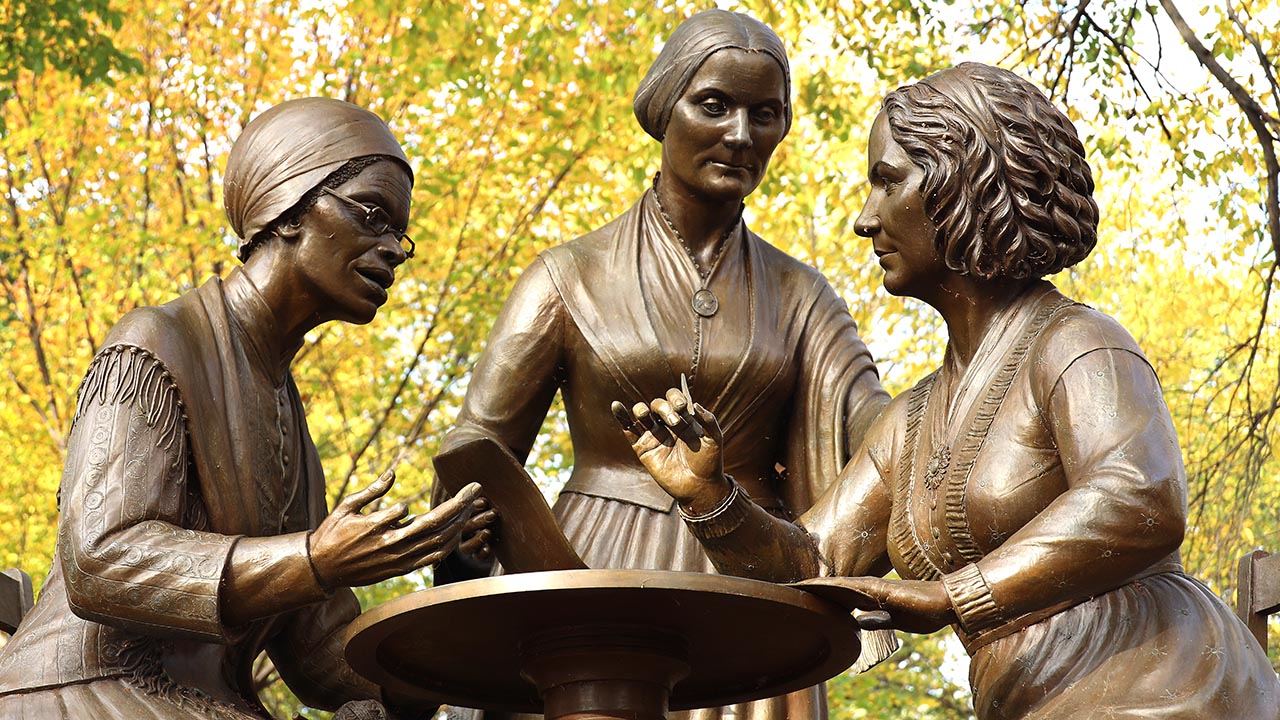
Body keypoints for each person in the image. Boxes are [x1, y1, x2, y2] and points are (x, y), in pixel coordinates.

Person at [615, 62, 1280, 719]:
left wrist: (955, 596)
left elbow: (1141, 495)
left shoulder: (1077, 343)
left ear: (967, 186)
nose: (865, 219)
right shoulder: (910, 421)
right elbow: (813, 560)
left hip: (1159, 687)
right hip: (1031, 699)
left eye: (888, 182)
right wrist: (712, 497)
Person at [436, 8, 890, 719]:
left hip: (749, 586)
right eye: (714, 105)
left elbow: (875, 427)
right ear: (663, 106)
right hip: (594, 572)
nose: (741, 135)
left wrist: (953, 405)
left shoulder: (802, 295)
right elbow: (478, 449)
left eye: (764, 115)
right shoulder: (567, 276)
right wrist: (465, 536)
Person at [0, 97, 494, 720]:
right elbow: (102, 559)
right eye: (373, 214)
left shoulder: (292, 425)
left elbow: (317, 655)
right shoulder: (155, 344)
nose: (394, 247)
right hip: (83, 694)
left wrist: (460, 621)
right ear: (288, 210)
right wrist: (312, 558)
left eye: (400, 231)